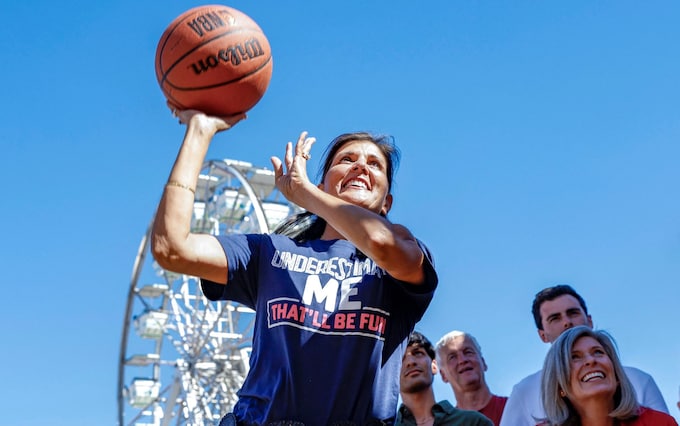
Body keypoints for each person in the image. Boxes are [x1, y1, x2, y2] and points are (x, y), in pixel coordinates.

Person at [151, 109, 438, 425]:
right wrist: (199, 130)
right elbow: (172, 248)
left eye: (374, 165)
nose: (360, 166)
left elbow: (381, 244)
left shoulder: (399, 255)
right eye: (347, 160)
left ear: (387, 203)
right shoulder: (269, 252)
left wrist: (309, 196)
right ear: (325, 184)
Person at [500, 285, 668, 426]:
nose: (567, 322)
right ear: (542, 335)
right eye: (555, 318)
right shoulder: (523, 391)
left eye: (573, 313)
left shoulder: (641, 381)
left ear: (589, 319)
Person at [537, 326, 677, 426]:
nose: (591, 360)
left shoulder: (660, 423)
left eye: (598, 352)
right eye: (574, 357)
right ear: (559, 386)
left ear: (616, 375)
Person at [396, 331, 493, 426]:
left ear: (434, 365)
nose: (410, 362)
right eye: (400, 358)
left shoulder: (474, 422)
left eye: (418, 353)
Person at [435, 331, 507, 425]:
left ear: (483, 363)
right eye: (452, 357)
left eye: (468, 352)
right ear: (443, 375)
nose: (462, 360)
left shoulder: (516, 409)